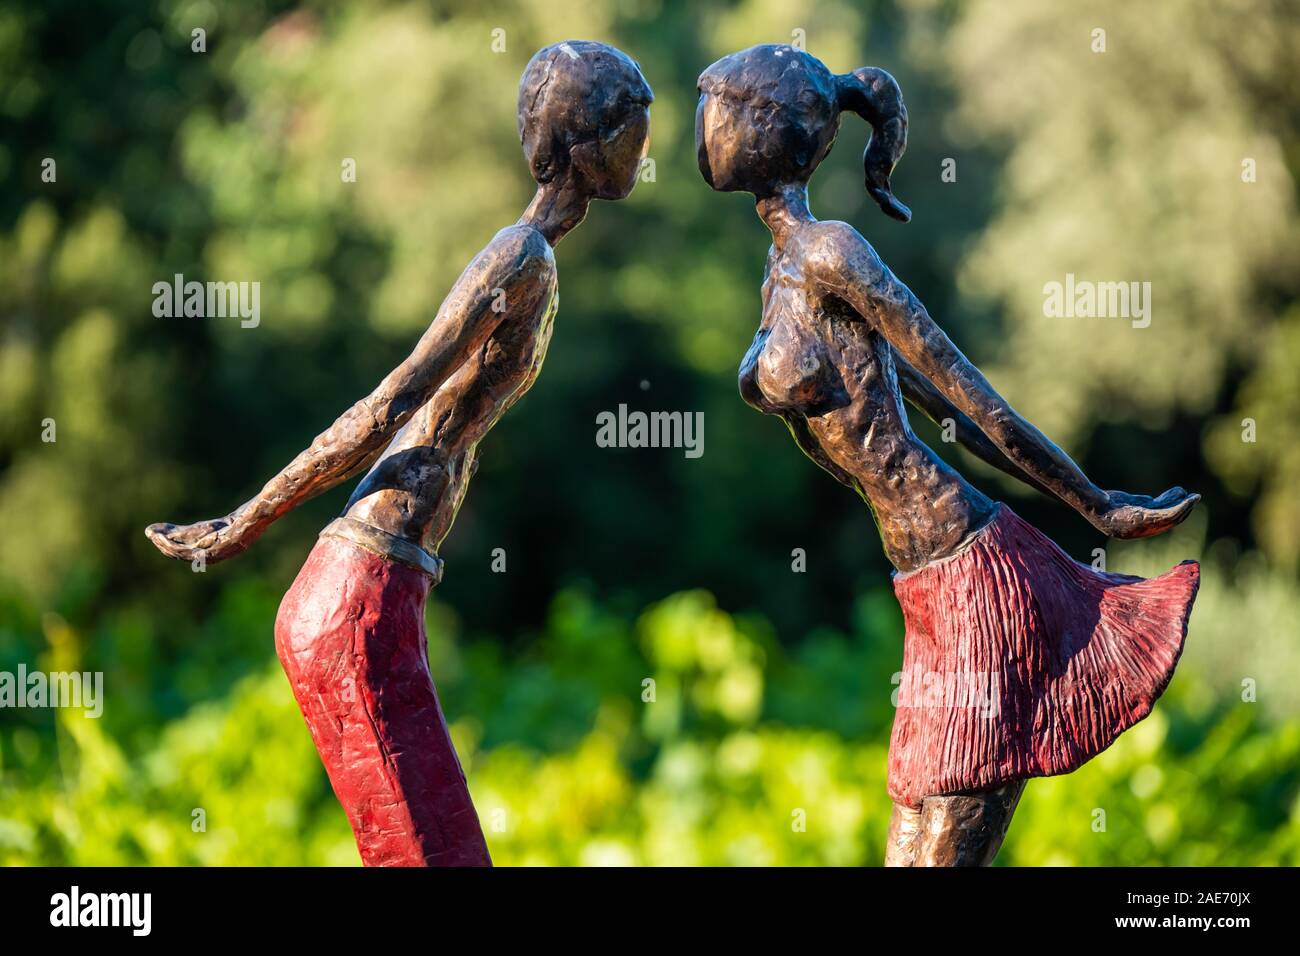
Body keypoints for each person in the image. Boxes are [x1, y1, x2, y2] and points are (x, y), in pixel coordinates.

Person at [146, 41, 654, 866]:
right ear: (587, 138)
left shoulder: (538, 259)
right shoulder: (518, 258)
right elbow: (391, 402)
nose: (647, 138)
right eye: (634, 118)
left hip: (391, 585)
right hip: (356, 600)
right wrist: (248, 519)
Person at [695, 44, 1200, 866]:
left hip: (973, 577)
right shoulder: (783, 263)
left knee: (943, 855)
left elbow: (966, 398)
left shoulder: (832, 252)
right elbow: (919, 403)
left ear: (770, 129)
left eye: (720, 103)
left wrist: (1096, 505)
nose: (702, 121)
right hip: (922, 587)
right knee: (907, 848)